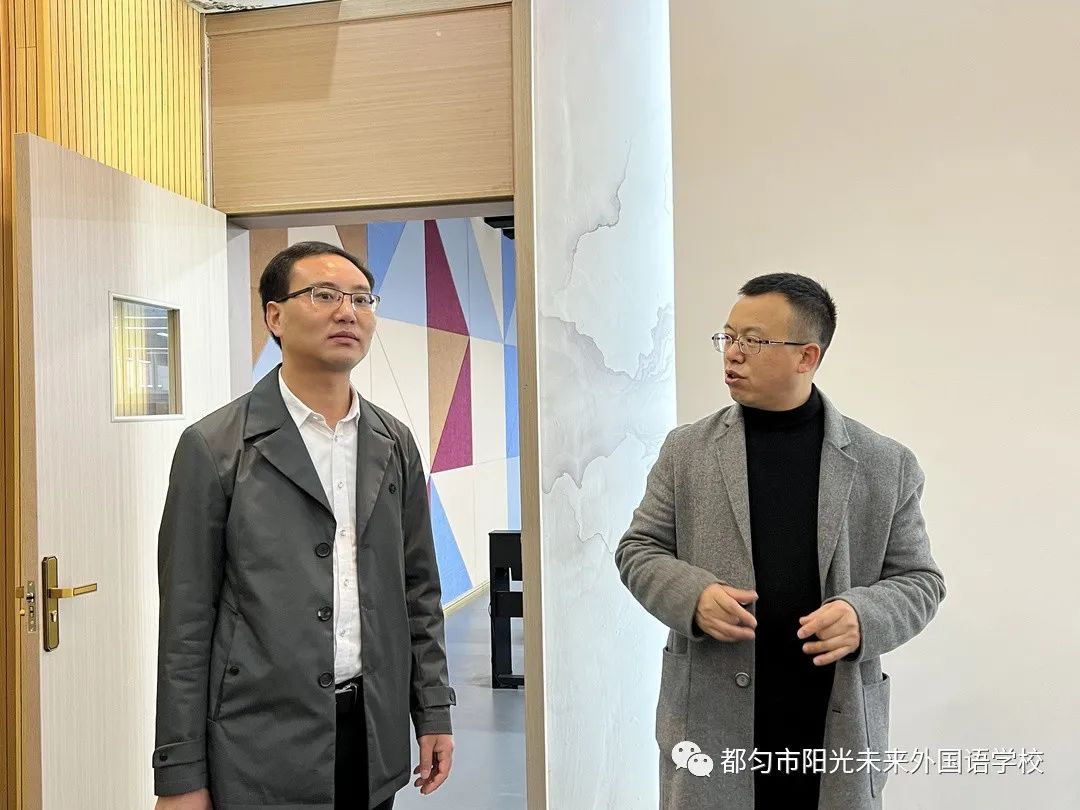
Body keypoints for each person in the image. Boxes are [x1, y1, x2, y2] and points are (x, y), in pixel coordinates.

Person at [615, 273, 945, 810]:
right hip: (712, 721)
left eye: (753, 340)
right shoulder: (687, 451)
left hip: (832, 723)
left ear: (806, 356)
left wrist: (864, 616)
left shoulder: (886, 464)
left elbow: (921, 581)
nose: (733, 353)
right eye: (728, 337)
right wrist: (692, 596)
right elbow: (638, 549)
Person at [153, 241, 455, 810]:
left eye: (361, 299)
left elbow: (419, 589)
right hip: (257, 746)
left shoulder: (393, 442)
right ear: (275, 316)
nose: (348, 312)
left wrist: (433, 709)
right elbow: (186, 625)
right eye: (324, 295)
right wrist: (180, 773)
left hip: (372, 733)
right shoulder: (215, 447)